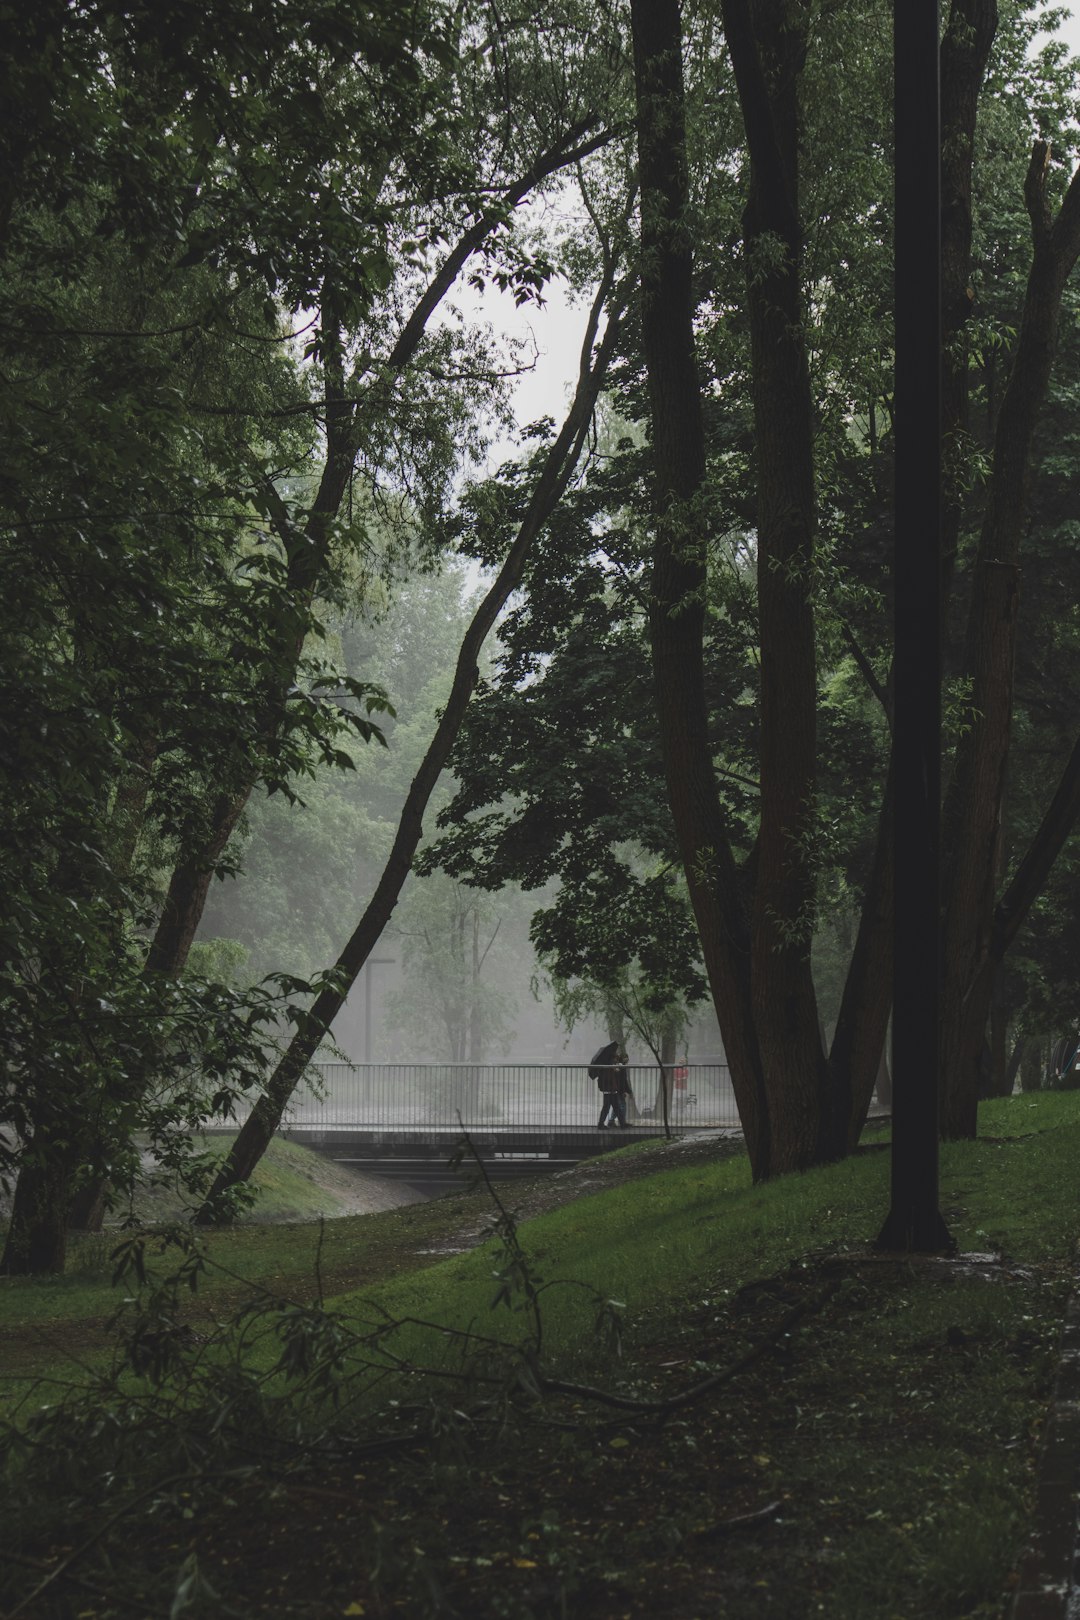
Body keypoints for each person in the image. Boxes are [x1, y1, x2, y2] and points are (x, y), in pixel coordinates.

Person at [595, 1043, 631, 1128]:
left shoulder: (610, 1066)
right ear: (611, 1059)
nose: (616, 1059)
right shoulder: (608, 1067)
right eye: (615, 1058)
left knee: (616, 1107)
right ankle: (601, 1124)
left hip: (612, 1090)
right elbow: (609, 1079)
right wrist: (615, 1070)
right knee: (607, 1108)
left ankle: (622, 1124)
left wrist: (615, 1070)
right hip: (609, 1090)